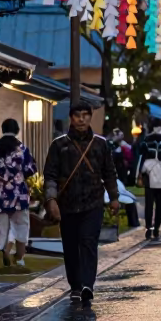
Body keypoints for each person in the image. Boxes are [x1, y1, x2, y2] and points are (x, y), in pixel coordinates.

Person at [43, 102, 121, 304]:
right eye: (77, 115)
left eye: (86, 115)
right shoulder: (59, 145)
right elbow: (50, 175)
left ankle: (87, 284)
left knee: (88, 243)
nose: (81, 119)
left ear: (90, 117)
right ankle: (75, 286)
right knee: (70, 246)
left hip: (92, 203)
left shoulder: (100, 144)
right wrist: (51, 200)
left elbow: (109, 173)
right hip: (67, 204)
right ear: (71, 117)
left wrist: (114, 198)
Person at [0, 118, 38, 268]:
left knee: (3, 225)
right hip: (19, 193)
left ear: (3, 130)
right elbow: (31, 169)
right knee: (21, 224)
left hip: (0, 193)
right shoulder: (22, 149)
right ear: (17, 130)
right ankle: (20, 257)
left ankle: (5, 248)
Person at [136, 118, 161, 239]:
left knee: (149, 204)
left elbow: (140, 158)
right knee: (160, 204)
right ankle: (157, 228)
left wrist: (138, 174)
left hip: (149, 175)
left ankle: (149, 228)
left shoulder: (146, 140)